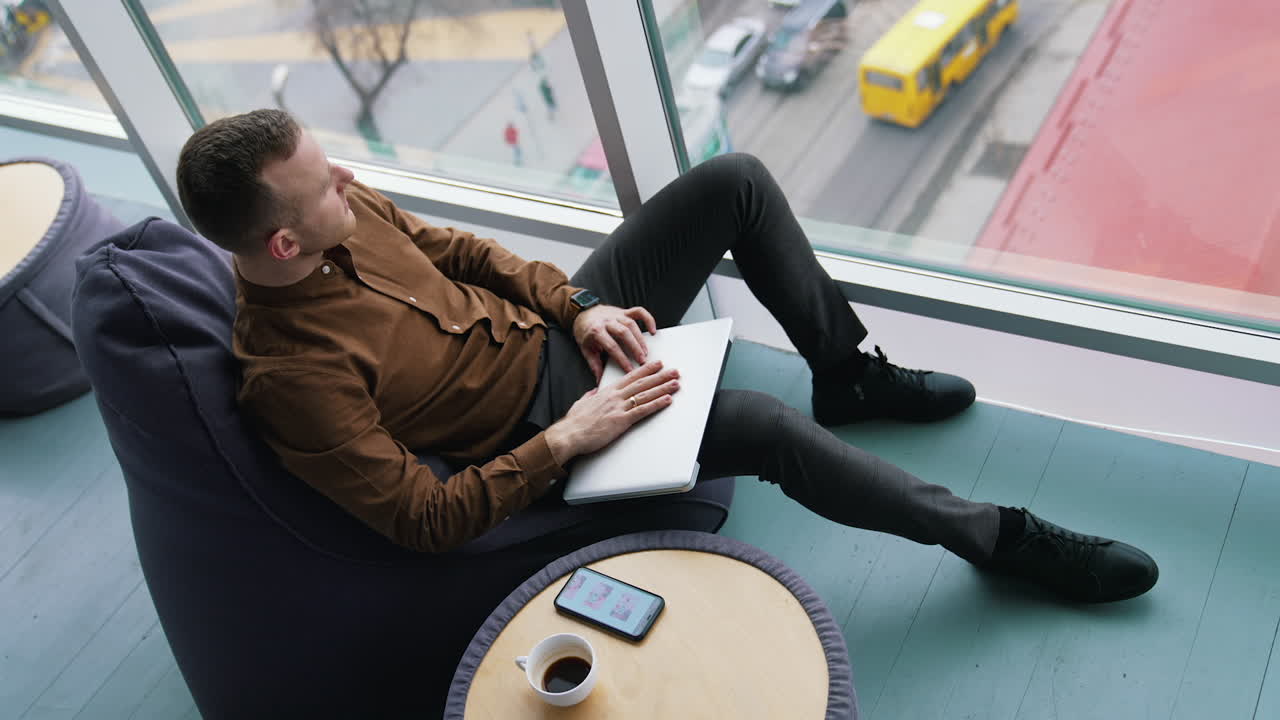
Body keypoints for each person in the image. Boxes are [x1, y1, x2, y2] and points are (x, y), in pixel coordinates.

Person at [175, 109, 1159, 604]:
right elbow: (426, 521)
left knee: (732, 180)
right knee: (768, 430)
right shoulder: (293, 381)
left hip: (570, 348)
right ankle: (993, 538)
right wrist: (568, 437)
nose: (348, 177)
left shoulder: (343, 212)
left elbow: (464, 254)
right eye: (324, 187)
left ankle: (846, 372)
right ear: (283, 246)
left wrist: (580, 306)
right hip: (546, 442)